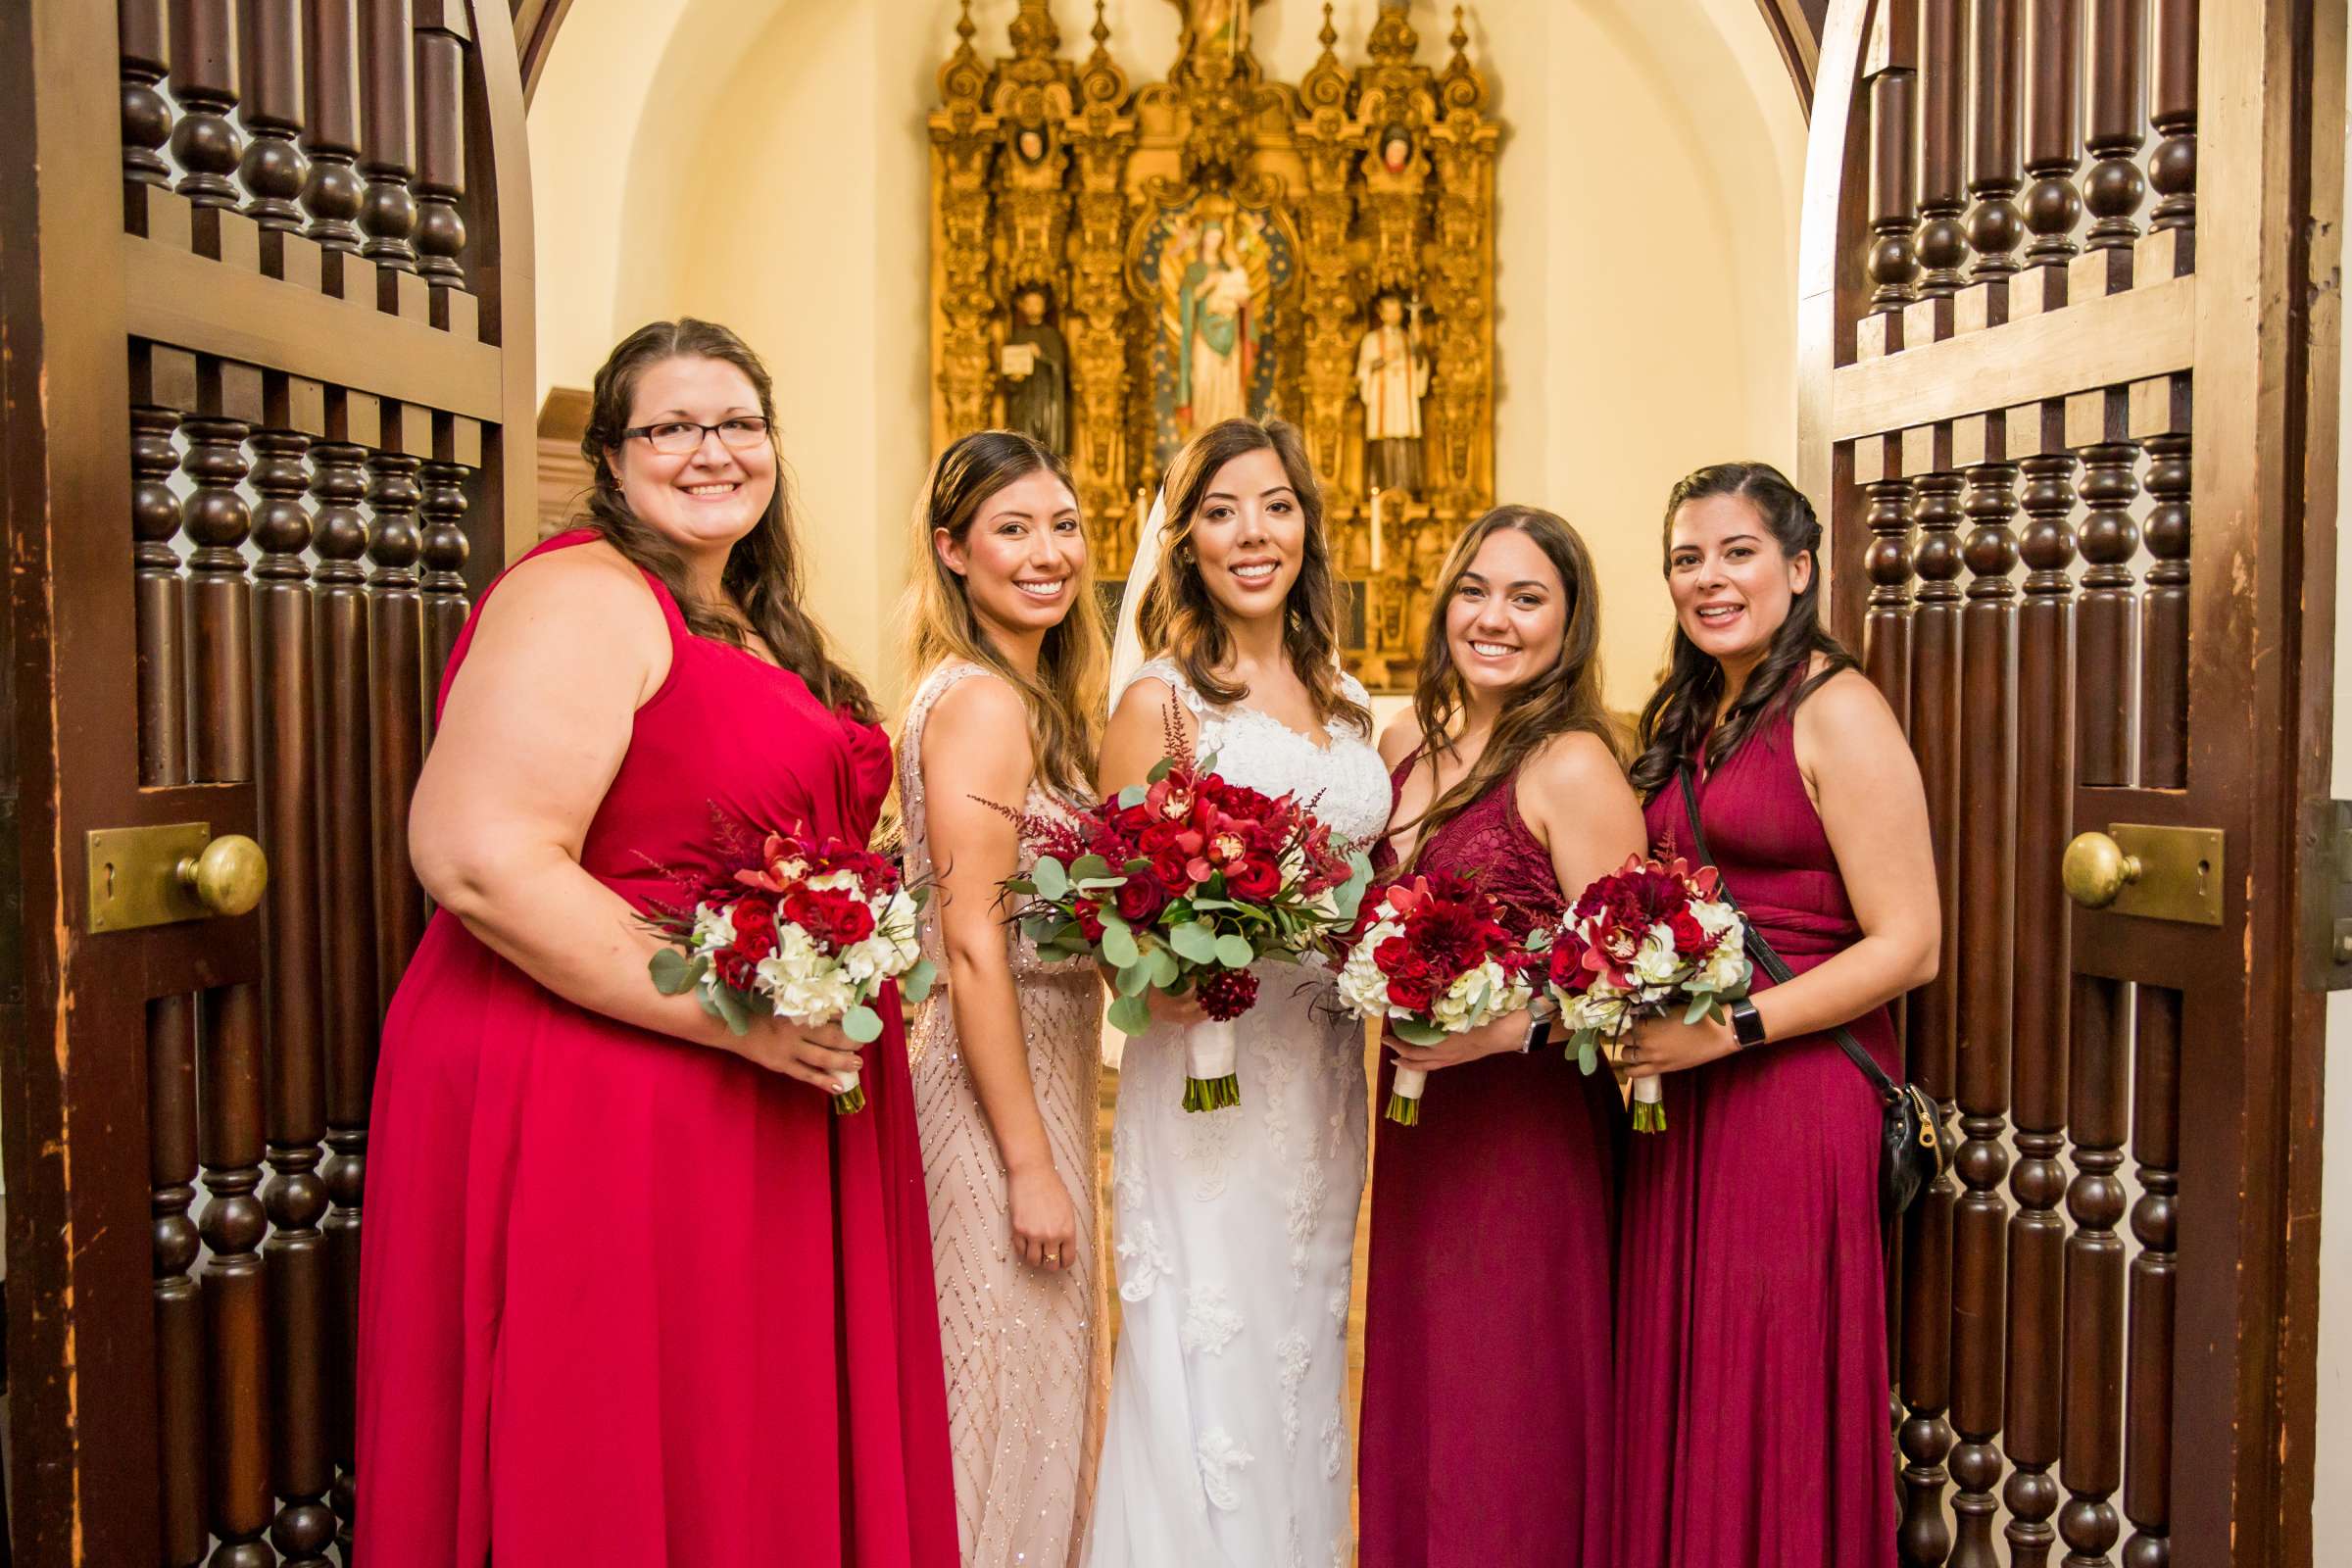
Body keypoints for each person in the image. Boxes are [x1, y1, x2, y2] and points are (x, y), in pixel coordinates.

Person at [355, 319, 956, 1565]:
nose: (711, 451)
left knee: (725, 1440)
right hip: (601, 1088)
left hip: (725, 1091)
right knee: (613, 1440)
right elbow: (477, 852)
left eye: (738, 423)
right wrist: (733, 1015)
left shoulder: (740, 615)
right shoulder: (579, 594)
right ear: (612, 457)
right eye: (672, 427)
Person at [1611, 462, 1937, 1568]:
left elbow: (1910, 943)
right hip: (1687, 1091)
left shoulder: (1835, 707)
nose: (1710, 579)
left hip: (1791, 1094)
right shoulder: (1695, 708)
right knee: (1693, 1368)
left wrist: (1731, 1030)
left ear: (1798, 569)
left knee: (1771, 1377)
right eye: (1687, 558)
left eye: (1737, 552)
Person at [1084, 417, 1391, 1567]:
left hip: (1320, 1077)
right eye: (1220, 511)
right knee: (1206, 1351)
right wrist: (1160, 975)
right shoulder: (1161, 706)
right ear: (1185, 539)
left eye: (1273, 505)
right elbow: (1113, 924)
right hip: (1208, 1083)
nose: (1250, 533)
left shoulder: (1350, 699)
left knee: (1301, 1346)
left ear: (1307, 526)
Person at [1356, 506, 1643, 1567]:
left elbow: (1628, 985)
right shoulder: (1403, 747)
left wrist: (1501, 1031)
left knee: (1509, 1413)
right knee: (1429, 1399)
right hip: (1422, 1136)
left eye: (1528, 599)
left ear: (1568, 626)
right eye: (1475, 589)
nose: (1493, 617)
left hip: (1528, 1143)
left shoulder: (1572, 766)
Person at [898, 429, 1110, 1567]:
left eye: (1063, 526)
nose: (1047, 553)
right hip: (993, 1095)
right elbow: (974, 941)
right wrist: (1028, 1160)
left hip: (1045, 1071)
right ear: (954, 551)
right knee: (998, 1390)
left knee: (1028, 1382)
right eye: (1013, 529)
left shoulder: (1036, 694)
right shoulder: (983, 701)